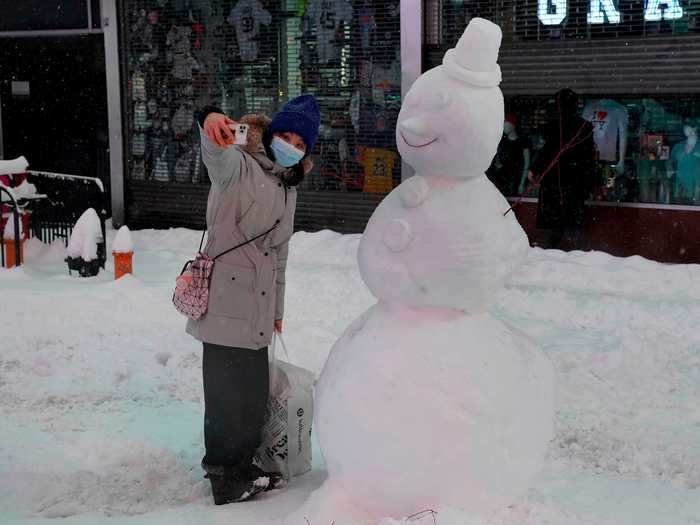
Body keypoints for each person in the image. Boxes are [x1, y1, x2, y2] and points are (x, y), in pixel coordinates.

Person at [186, 95, 320, 505]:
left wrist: (276, 310)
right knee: (227, 393)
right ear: (271, 133)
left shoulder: (287, 187)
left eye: (300, 141)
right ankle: (224, 475)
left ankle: (243, 465)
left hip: (258, 302)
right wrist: (208, 117)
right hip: (226, 296)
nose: (290, 144)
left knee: (251, 393)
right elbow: (214, 152)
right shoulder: (238, 164)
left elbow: (280, 255)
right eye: (285, 134)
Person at [528, 89, 595, 250]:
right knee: (574, 218)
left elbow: (547, 150)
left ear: (558, 105)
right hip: (575, 179)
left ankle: (551, 250)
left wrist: (535, 169)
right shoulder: (584, 127)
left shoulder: (553, 125)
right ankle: (582, 251)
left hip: (555, 179)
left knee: (555, 219)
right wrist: (591, 181)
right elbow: (589, 156)